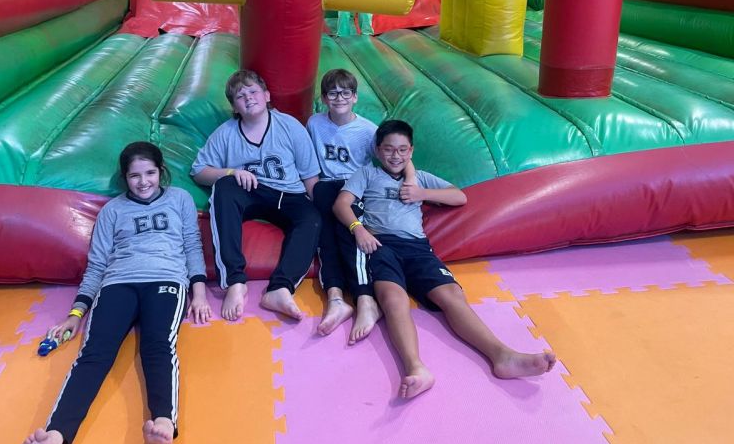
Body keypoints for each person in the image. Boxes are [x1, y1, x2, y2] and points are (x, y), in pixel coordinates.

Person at [333, 120, 557, 400]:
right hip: (381, 245)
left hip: (417, 248)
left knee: (452, 295)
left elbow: (458, 197)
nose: (395, 155)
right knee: (393, 299)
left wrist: (422, 194)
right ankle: (415, 368)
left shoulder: (421, 178)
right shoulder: (367, 173)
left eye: (402, 149)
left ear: (411, 151)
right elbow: (341, 204)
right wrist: (358, 229)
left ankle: (503, 356)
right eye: (388, 149)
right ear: (378, 151)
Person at [24, 142, 211, 444]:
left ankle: (164, 421)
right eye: (134, 175)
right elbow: (97, 266)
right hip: (118, 284)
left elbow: (192, 246)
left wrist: (199, 293)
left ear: (161, 171)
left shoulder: (180, 199)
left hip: (165, 280)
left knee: (158, 346)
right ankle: (57, 433)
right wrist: (76, 314)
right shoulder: (112, 211)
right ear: (125, 177)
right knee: (94, 353)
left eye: (150, 173)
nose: (143, 182)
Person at [191, 70, 321, 322]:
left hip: (289, 195)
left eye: (253, 91)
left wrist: (319, 209)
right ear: (234, 107)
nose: (248, 98)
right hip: (250, 193)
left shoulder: (289, 126)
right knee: (224, 187)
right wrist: (231, 172)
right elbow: (199, 171)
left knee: (312, 218)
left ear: (267, 96)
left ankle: (280, 289)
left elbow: (310, 177)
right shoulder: (226, 133)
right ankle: (235, 281)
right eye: (240, 96)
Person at [306, 69, 382, 343]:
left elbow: (392, 154)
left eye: (345, 92)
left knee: (348, 234)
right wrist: (312, 192)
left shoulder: (368, 130)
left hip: (353, 188)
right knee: (324, 235)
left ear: (355, 97)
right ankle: (336, 298)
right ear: (324, 98)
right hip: (326, 186)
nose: (339, 98)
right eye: (333, 93)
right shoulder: (314, 123)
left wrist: (410, 179)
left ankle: (365, 299)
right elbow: (308, 160)